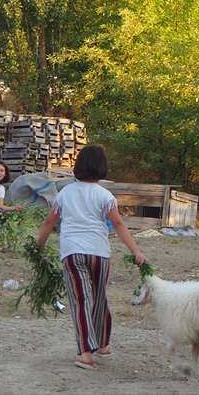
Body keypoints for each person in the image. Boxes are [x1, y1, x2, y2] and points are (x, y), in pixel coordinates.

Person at [37, 145, 148, 371]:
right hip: (99, 253)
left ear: (78, 166)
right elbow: (118, 224)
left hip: (72, 252)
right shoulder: (105, 195)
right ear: (102, 167)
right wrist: (136, 251)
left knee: (81, 300)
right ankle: (103, 345)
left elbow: (49, 221)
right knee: (99, 298)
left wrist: (38, 247)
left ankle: (86, 354)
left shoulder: (65, 193)